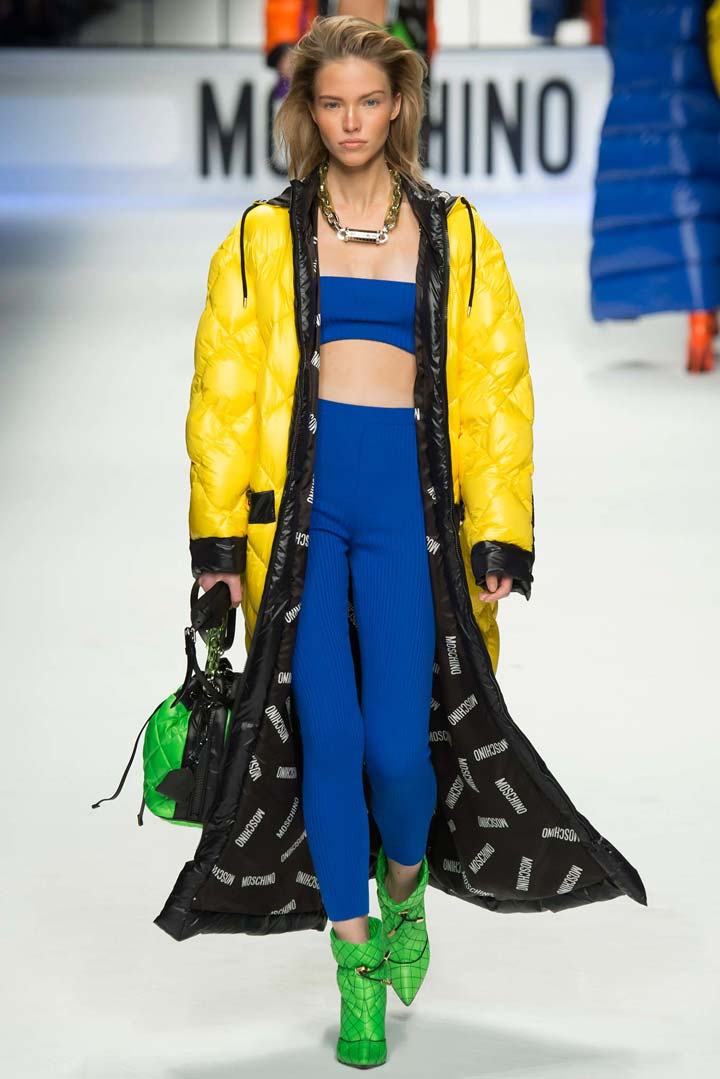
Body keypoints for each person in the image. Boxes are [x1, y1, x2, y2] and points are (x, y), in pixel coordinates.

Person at [175, 12, 646, 1070]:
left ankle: (404, 887)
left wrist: (501, 530)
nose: (351, 121)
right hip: (301, 522)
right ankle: (355, 969)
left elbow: (495, 393)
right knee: (328, 742)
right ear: (308, 111)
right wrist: (216, 546)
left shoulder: (456, 236)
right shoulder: (263, 239)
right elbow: (223, 394)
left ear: (398, 107)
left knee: (398, 750)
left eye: (369, 101)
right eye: (331, 103)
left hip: (409, 516)